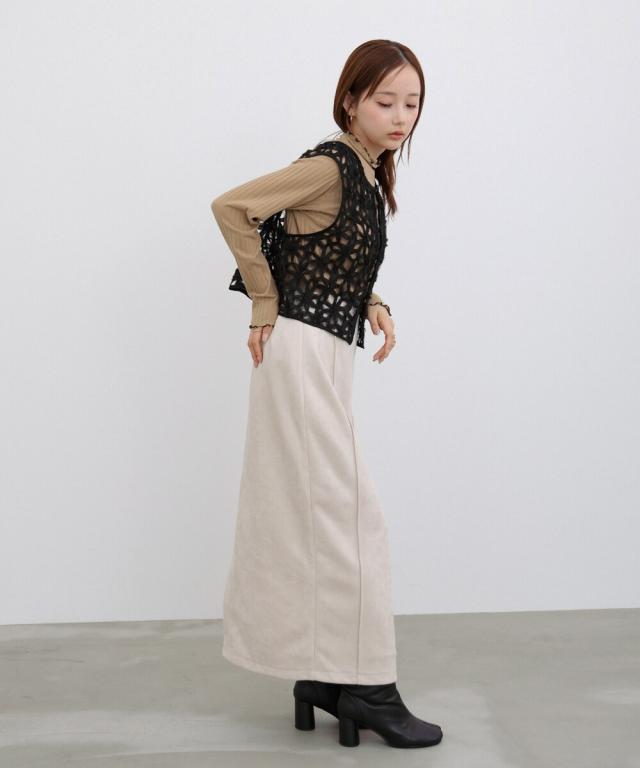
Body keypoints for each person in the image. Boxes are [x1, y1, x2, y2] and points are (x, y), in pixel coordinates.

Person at [210, 39, 443, 750]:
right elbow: (233, 208)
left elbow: (328, 251)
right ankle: (368, 688)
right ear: (350, 101)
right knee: (354, 520)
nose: (400, 116)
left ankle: (322, 674)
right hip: (302, 352)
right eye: (385, 101)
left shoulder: (367, 172)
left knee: (323, 518)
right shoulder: (328, 165)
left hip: (326, 351)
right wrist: (262, 299)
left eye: (412, 103)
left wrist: (372, 300)